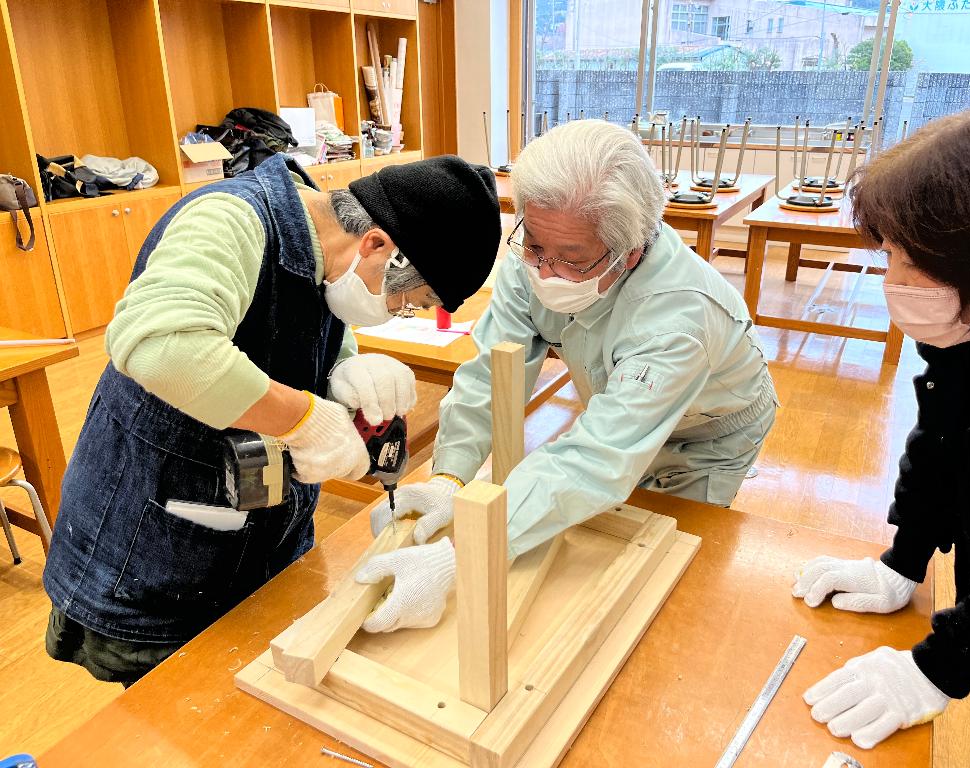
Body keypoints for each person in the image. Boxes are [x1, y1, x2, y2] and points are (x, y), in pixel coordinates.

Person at [42, 152, 501, 685]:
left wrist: (345, 371)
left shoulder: (327, 253)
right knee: (180, 709)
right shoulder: (228, 221)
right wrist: (305, 419)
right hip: (156, 553)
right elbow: (163, 346)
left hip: (261, 541)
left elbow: (294, 334)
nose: (398, 313)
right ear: (377, 245)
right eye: (408, 301)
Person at [353, 119, 778, 633]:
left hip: (704, 434)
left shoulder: (678, 319)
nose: (544, 269)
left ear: (630, 252)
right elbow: (492, 373)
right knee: (578, 525)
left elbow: (599, 458)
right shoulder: (542, 249)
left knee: (662, 578)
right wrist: (450, 476)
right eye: (534, 246)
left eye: (572, 261)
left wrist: (459, 555)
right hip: (618, 399)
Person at [791, 110, 970, 765]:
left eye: (910, 259)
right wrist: (905, 557)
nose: (893, 280)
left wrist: (941, 664)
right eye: (890, 254)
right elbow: (942, 440)